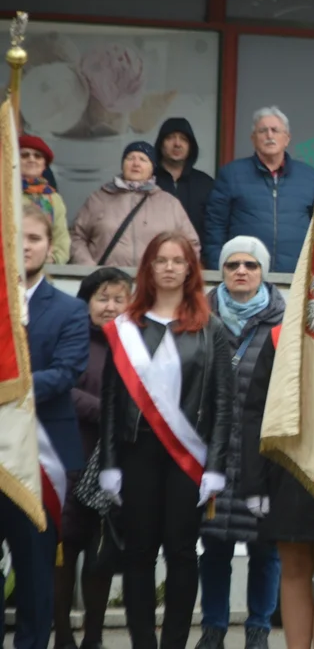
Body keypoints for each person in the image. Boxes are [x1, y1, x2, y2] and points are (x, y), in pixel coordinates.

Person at [98, 232, 233, 649]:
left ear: (191, 268)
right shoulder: (125, 328)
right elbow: (110, 402)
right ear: (149, 268)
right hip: (137, 453)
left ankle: (174, 641)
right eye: (161, 260)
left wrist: (214, 465)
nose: (170, 267)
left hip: (187, 458)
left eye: (178, 260)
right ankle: (143, 642)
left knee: (180, 551)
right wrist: (109, 464)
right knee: (138, 553)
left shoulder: (211, 329)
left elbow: (223, 402)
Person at [0, 205, 89, 649]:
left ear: (48, 246)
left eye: (33, 238)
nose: (25, 247)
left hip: (41, 459)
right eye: (17, 239)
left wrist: (8, 387)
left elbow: (66, 372)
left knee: (36, 573)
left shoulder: (70, 310)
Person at [197, 237, 286, 649]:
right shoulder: (199, 316)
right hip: (211, 450)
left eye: (251, 264)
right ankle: (213, 626)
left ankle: (258, 629)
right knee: (214, 544)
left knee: (265, 549)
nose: (241, 271)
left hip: (261, 453)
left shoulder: (282, 320)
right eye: (232, 264)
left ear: (263, 271)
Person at [241, 333, 314, 649]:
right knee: (293, 565)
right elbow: (255, 412)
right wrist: (255, 481)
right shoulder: (280, 336)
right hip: (287, 467)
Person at [54, 268, 132, 649]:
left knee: (101, 556)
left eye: (120, 299)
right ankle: (64, 635)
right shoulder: (71, 338)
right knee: (65, 552)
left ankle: (94, 638)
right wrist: (107, 412)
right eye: (103, 298)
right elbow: (58, 387)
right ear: (86, 302)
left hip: (116, 466)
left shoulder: (137, 343)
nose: (111, 307)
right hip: (70, 457)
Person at [203, 106, 314, 272]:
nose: (269, 135)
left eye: (275, 130)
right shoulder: (231, 174)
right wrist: (219, 268)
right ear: (253, 138)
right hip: (243, 275)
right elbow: (214, 228)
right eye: (263, 131)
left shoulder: (309, 177)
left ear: (287, 138)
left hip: (296, 278)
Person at [70, 142, 200, 267]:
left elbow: (191, 245)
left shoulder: (170, 204)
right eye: (130, 158)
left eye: (143, 159)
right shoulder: (99, 199)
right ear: (122, 165)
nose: (136, 164)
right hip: (108, 284)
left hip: (153, 284)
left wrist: (175, 273)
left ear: (152, 168)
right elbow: (76, 237)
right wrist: (89, 268)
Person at [154, 117, 216, 248]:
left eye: (183, 139)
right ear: (161, 144)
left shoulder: (206, 183)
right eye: (170, 137)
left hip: (197, 260)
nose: (177, 144)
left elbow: (214, 228)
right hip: (153, 259)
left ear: (191, 146)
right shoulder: (149, 181)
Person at [20, 135, 71, 264]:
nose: (31, 159)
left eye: (37, 156)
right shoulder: (5, 193)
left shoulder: (53, 198)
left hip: (44, 269)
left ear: (44, 165)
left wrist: (54, 259)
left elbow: (61, 238)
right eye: (25, 155)